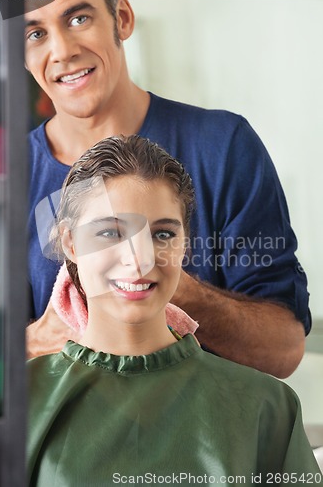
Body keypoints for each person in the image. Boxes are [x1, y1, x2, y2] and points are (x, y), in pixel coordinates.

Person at [25, 0, 310, 377]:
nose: (62, 50)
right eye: (34, 33)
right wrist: (36, 341)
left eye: (79, 18)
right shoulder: (8, 179)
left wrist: (172, 288)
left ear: (122, 17)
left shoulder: (222, 147)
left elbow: (283, 350)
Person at [27, 135, 322, 486]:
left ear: (185, 244)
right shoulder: (23, 404)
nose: (139, 260)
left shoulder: (268, 410)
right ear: (70, 242)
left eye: (162, 234)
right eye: (110, 232)